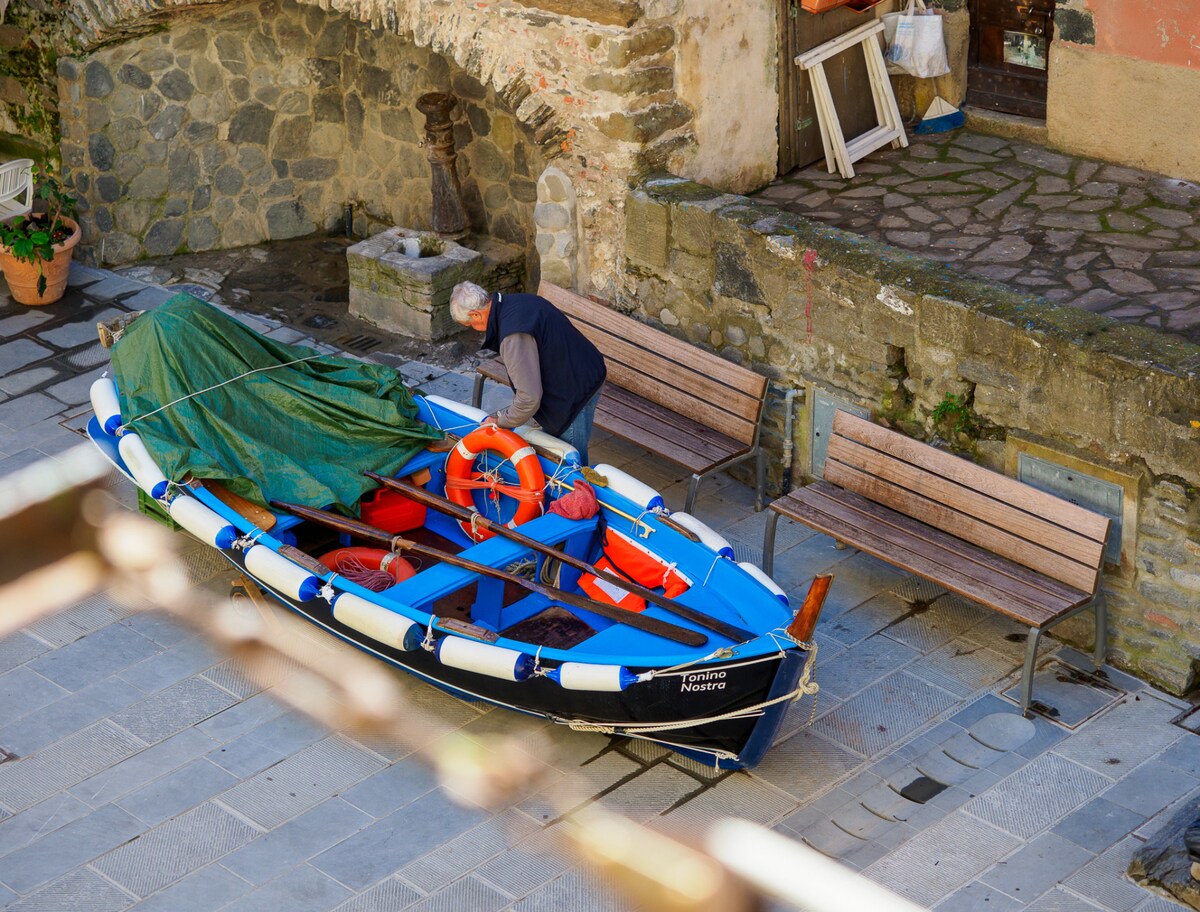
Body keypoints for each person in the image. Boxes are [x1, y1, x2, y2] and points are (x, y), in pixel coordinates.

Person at [450, 282, 606, 465]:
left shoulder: (513, 336)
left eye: (469, 324)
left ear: (475, 314)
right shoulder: (516, 301)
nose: (473, 328)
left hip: (573, 392)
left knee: (566, 461)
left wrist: (501, 421)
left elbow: (529, 398)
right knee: (561, 442)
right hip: (588, 368)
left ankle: (581, 481)